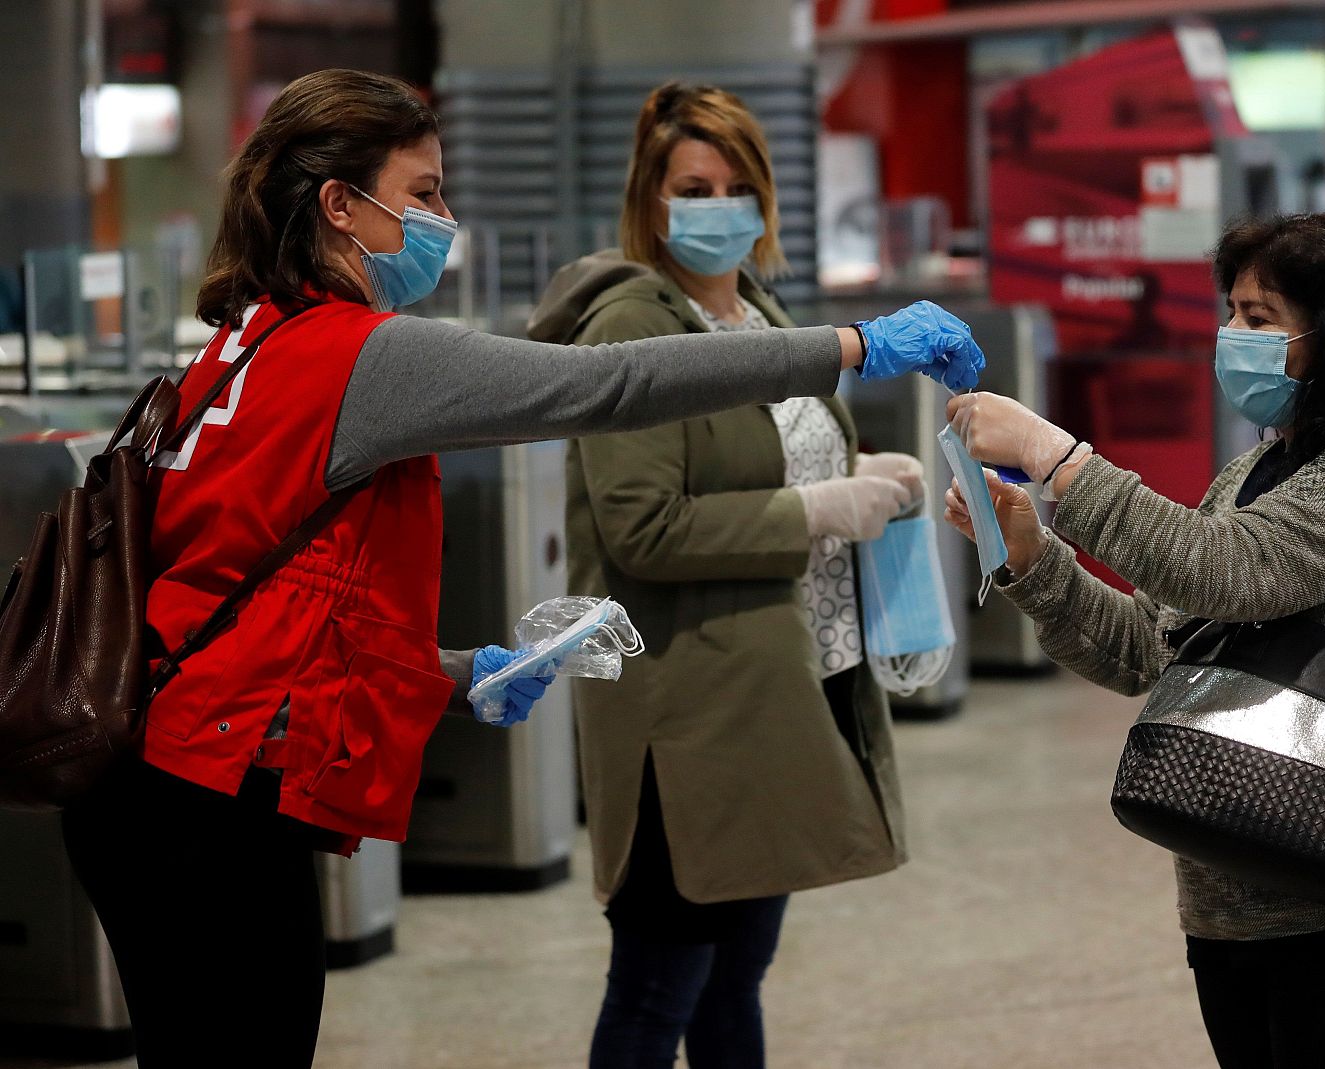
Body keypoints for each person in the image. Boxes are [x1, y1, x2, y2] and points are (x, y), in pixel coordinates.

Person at [56, 69, 984, 1069]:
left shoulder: (242, 347)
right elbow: (604, 385)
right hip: (211, 804)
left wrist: (454, 674)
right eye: (421, 193)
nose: (443, 219)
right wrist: (848, 345)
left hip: (152, 782)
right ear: (338, 205)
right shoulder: (356, 353)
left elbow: (260, 598)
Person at [942, 212, 1325, 1069]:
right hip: (1228, 884)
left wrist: (1054, 456)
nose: (1231, 335)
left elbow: (1222, 570)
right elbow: (1150, 650)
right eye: (1230, 311)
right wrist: (1034, 558)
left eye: (1260, 317)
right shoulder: (1253, 469)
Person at [527, 81, 922, 1069]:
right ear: (650, 201)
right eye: (693, 186)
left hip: (782, 689)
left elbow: (760, 458)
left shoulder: (756, 312)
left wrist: (855, 471)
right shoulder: (630, 329)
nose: (718, 207)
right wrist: (818, 510)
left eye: (737, 185)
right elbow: (643, 527)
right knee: (658, 989)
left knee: (734, 979)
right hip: (690, 717)